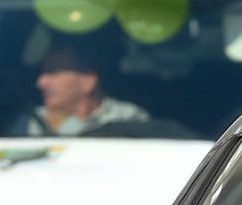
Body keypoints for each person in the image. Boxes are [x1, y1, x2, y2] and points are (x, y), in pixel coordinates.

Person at [15, 45, 150, 137]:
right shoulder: (32, 122)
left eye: (53, 72)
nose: (41, 82)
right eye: (43, 72)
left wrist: (67, 125)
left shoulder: (129, 117)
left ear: (88, 81)